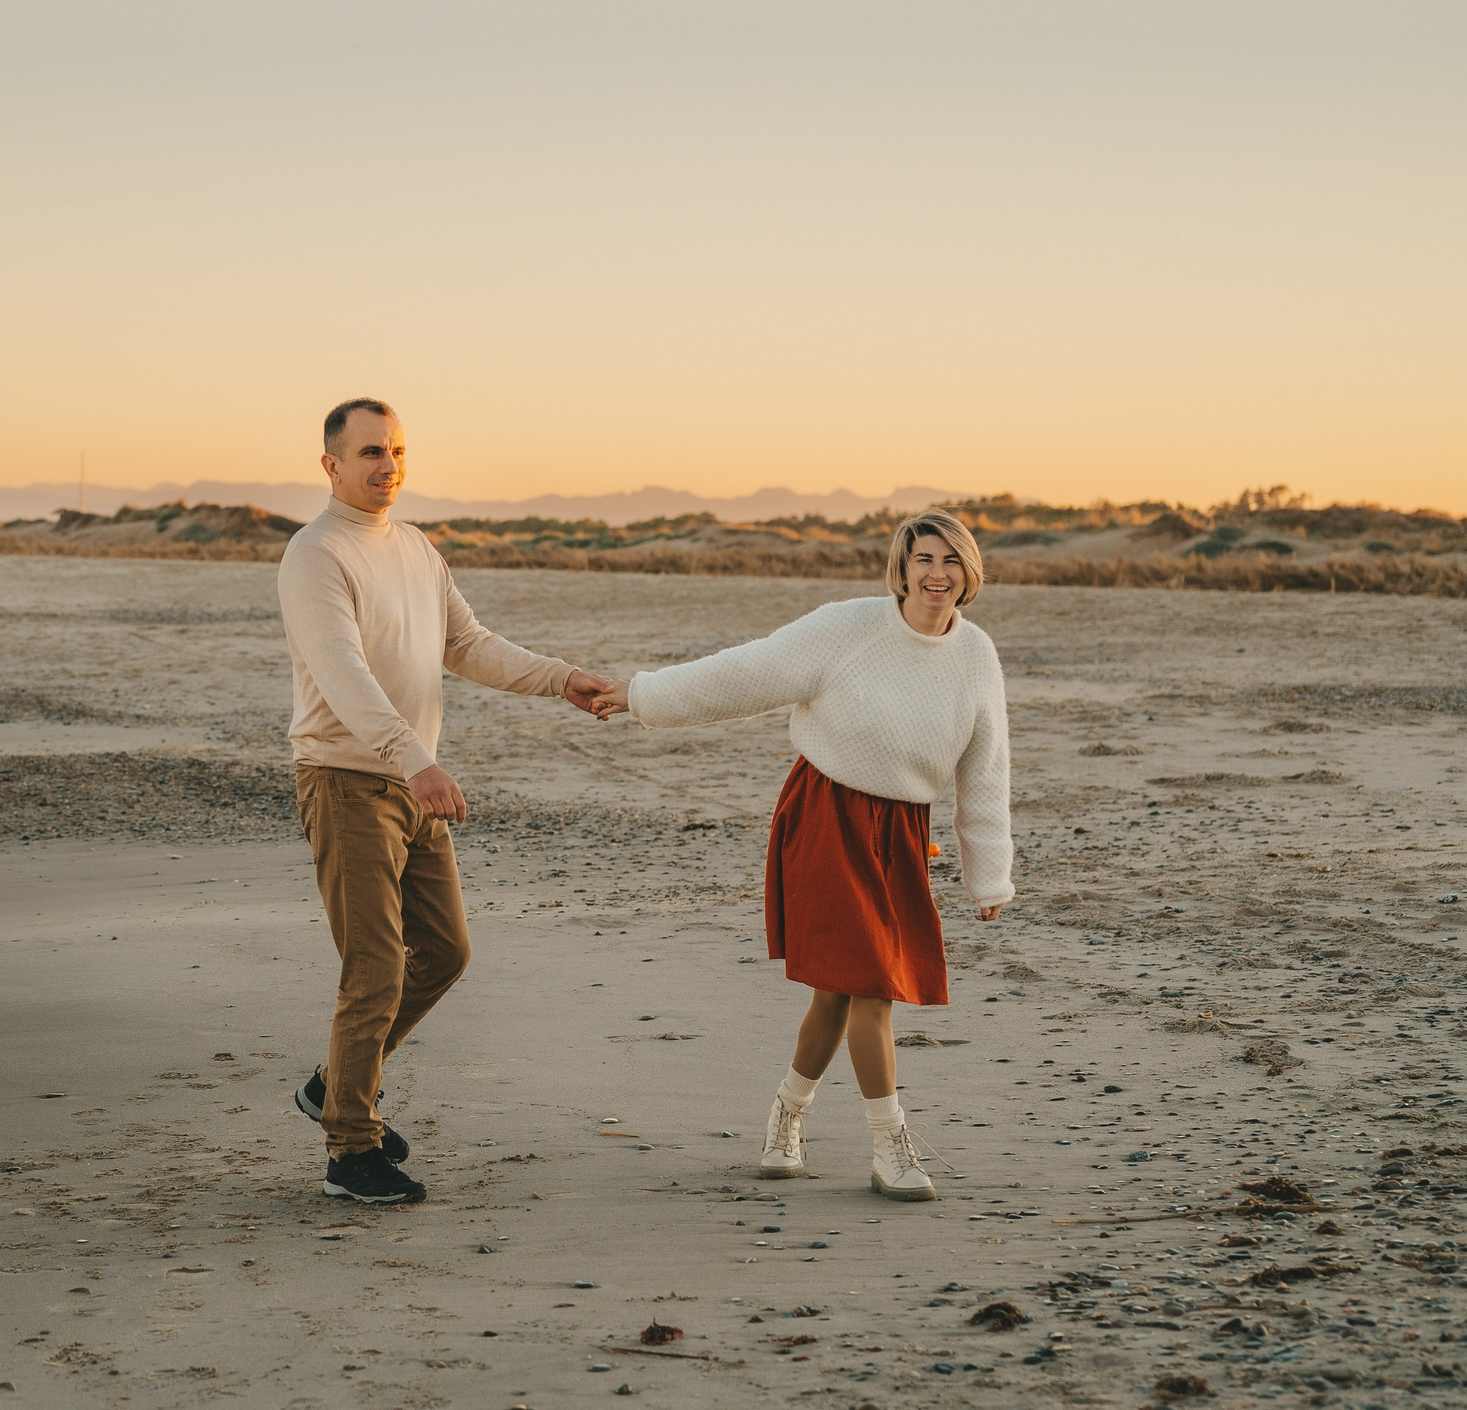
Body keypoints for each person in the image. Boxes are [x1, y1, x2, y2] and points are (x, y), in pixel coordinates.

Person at [595, 510, 1013, 1202]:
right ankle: (891, 1145)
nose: (937, 573)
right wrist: (642, 695)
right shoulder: (849, 626)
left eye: (952, 561)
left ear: (969, 572)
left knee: (837, 992)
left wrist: (989, 872)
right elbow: (746, 672)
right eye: (924, 559)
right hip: (827, 814)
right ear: (902, 568)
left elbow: (986, 766)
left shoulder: (976, 655)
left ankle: (787, 1115)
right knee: (872, 987)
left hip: (902, 832)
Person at [279, 398, 616, 1204]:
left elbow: (465, 645)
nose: (387, 464)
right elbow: (344, 675)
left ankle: (336, 1084)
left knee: (446, 951)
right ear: (330, 465)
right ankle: (348, 1149)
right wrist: (417, 762)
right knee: (373, 967)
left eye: (396, 448)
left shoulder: (417, 549)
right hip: (349, 780)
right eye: (369, 452)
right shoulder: (314, 554)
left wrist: (559, 677)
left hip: (411, 780)